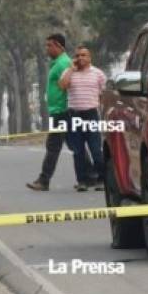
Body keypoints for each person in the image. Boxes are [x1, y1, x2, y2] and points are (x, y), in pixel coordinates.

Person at [27, 34, 74, 191]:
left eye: (49, 46)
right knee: (74, 145)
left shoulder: (63, 63)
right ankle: (93, 175)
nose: (47, 49)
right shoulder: (58, 63)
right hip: (58, 111)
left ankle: (43, 180)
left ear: (59, 46)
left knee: (53, 146)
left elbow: (69, 85)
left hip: (62, 110)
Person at [59, 44, 107, 192]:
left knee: (96, 150)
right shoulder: (69, 72)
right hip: (74, 115)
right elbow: (62, 85)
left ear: (89, 57)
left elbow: (105, 94)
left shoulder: (98, 74)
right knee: (78, 151)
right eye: (78, 55)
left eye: (83, 55)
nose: (80, 58)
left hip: (91, 115)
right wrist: (71, 70)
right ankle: (82, 181)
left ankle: (101, 179)